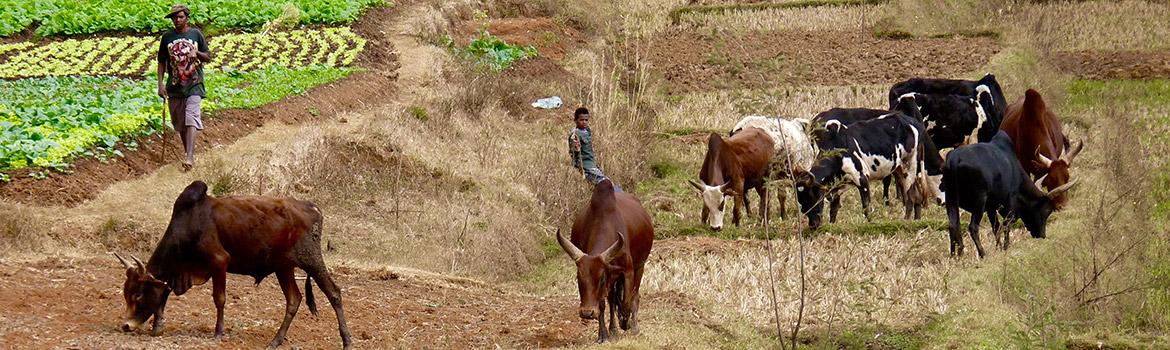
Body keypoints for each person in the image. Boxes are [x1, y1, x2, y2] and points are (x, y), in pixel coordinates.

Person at [157, 4, 211, 171]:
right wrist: (160, 84)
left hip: (194, 83)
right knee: (179, 123)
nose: (177, 20)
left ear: (187, 18)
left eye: (180, 17)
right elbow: (161, 62)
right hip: (175, 86)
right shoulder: (167, 38)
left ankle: (189, 156)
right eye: (174, 17)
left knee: (191, 116)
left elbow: (208, 57)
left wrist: (197, 54)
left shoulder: (196, 34)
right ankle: (188, 153)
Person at [568, 107, 622, 192]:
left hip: (592, 165)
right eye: (581, 120)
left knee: (607, 185)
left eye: (586, 120)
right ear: (575, 120)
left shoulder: (587, 130)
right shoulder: (575, 135)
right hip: (586, 167)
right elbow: (574, 155)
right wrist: (581, 169)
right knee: (609, 186)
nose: (584, 122)